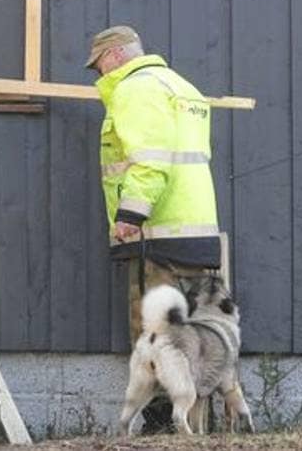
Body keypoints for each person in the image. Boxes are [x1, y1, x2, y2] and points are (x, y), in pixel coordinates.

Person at [88, 25, 221, 431]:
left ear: (112, 56)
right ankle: (198, 420)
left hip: (158, 233)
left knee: (155, 333)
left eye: (98, 67)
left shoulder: (135, 89)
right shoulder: (183, 87)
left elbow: (150, 161)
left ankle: (164, 421)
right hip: (197, 230)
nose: (98, 76)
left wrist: (130, 215)